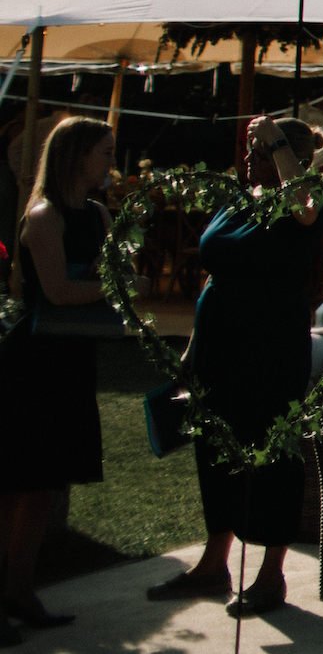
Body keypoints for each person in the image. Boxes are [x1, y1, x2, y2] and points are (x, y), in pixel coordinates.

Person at [148, 114, 323, 617]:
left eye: (261, 151)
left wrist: (276, 141)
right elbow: (215, 274)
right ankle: (214, 563)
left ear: (286, 158)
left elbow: (305, 211)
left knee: (271, 453)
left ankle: (271, 574)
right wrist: (192, 344)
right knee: (215, 448)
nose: (249, 158)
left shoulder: (302, 204)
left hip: (270, 347)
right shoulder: (239, 199)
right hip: (219, 346)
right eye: (252, 149)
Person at [0, 117, 115, 631]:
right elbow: (58, 292)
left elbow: (104, 272)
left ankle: (21, 591)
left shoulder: (97, 214)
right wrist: (116, 288)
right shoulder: (44, 216)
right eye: (105, 152)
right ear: (76, 156)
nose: (112, 162)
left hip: (71, 358)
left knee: (43, 485)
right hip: (33, 362)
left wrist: (114, 281)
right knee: (14, 482)